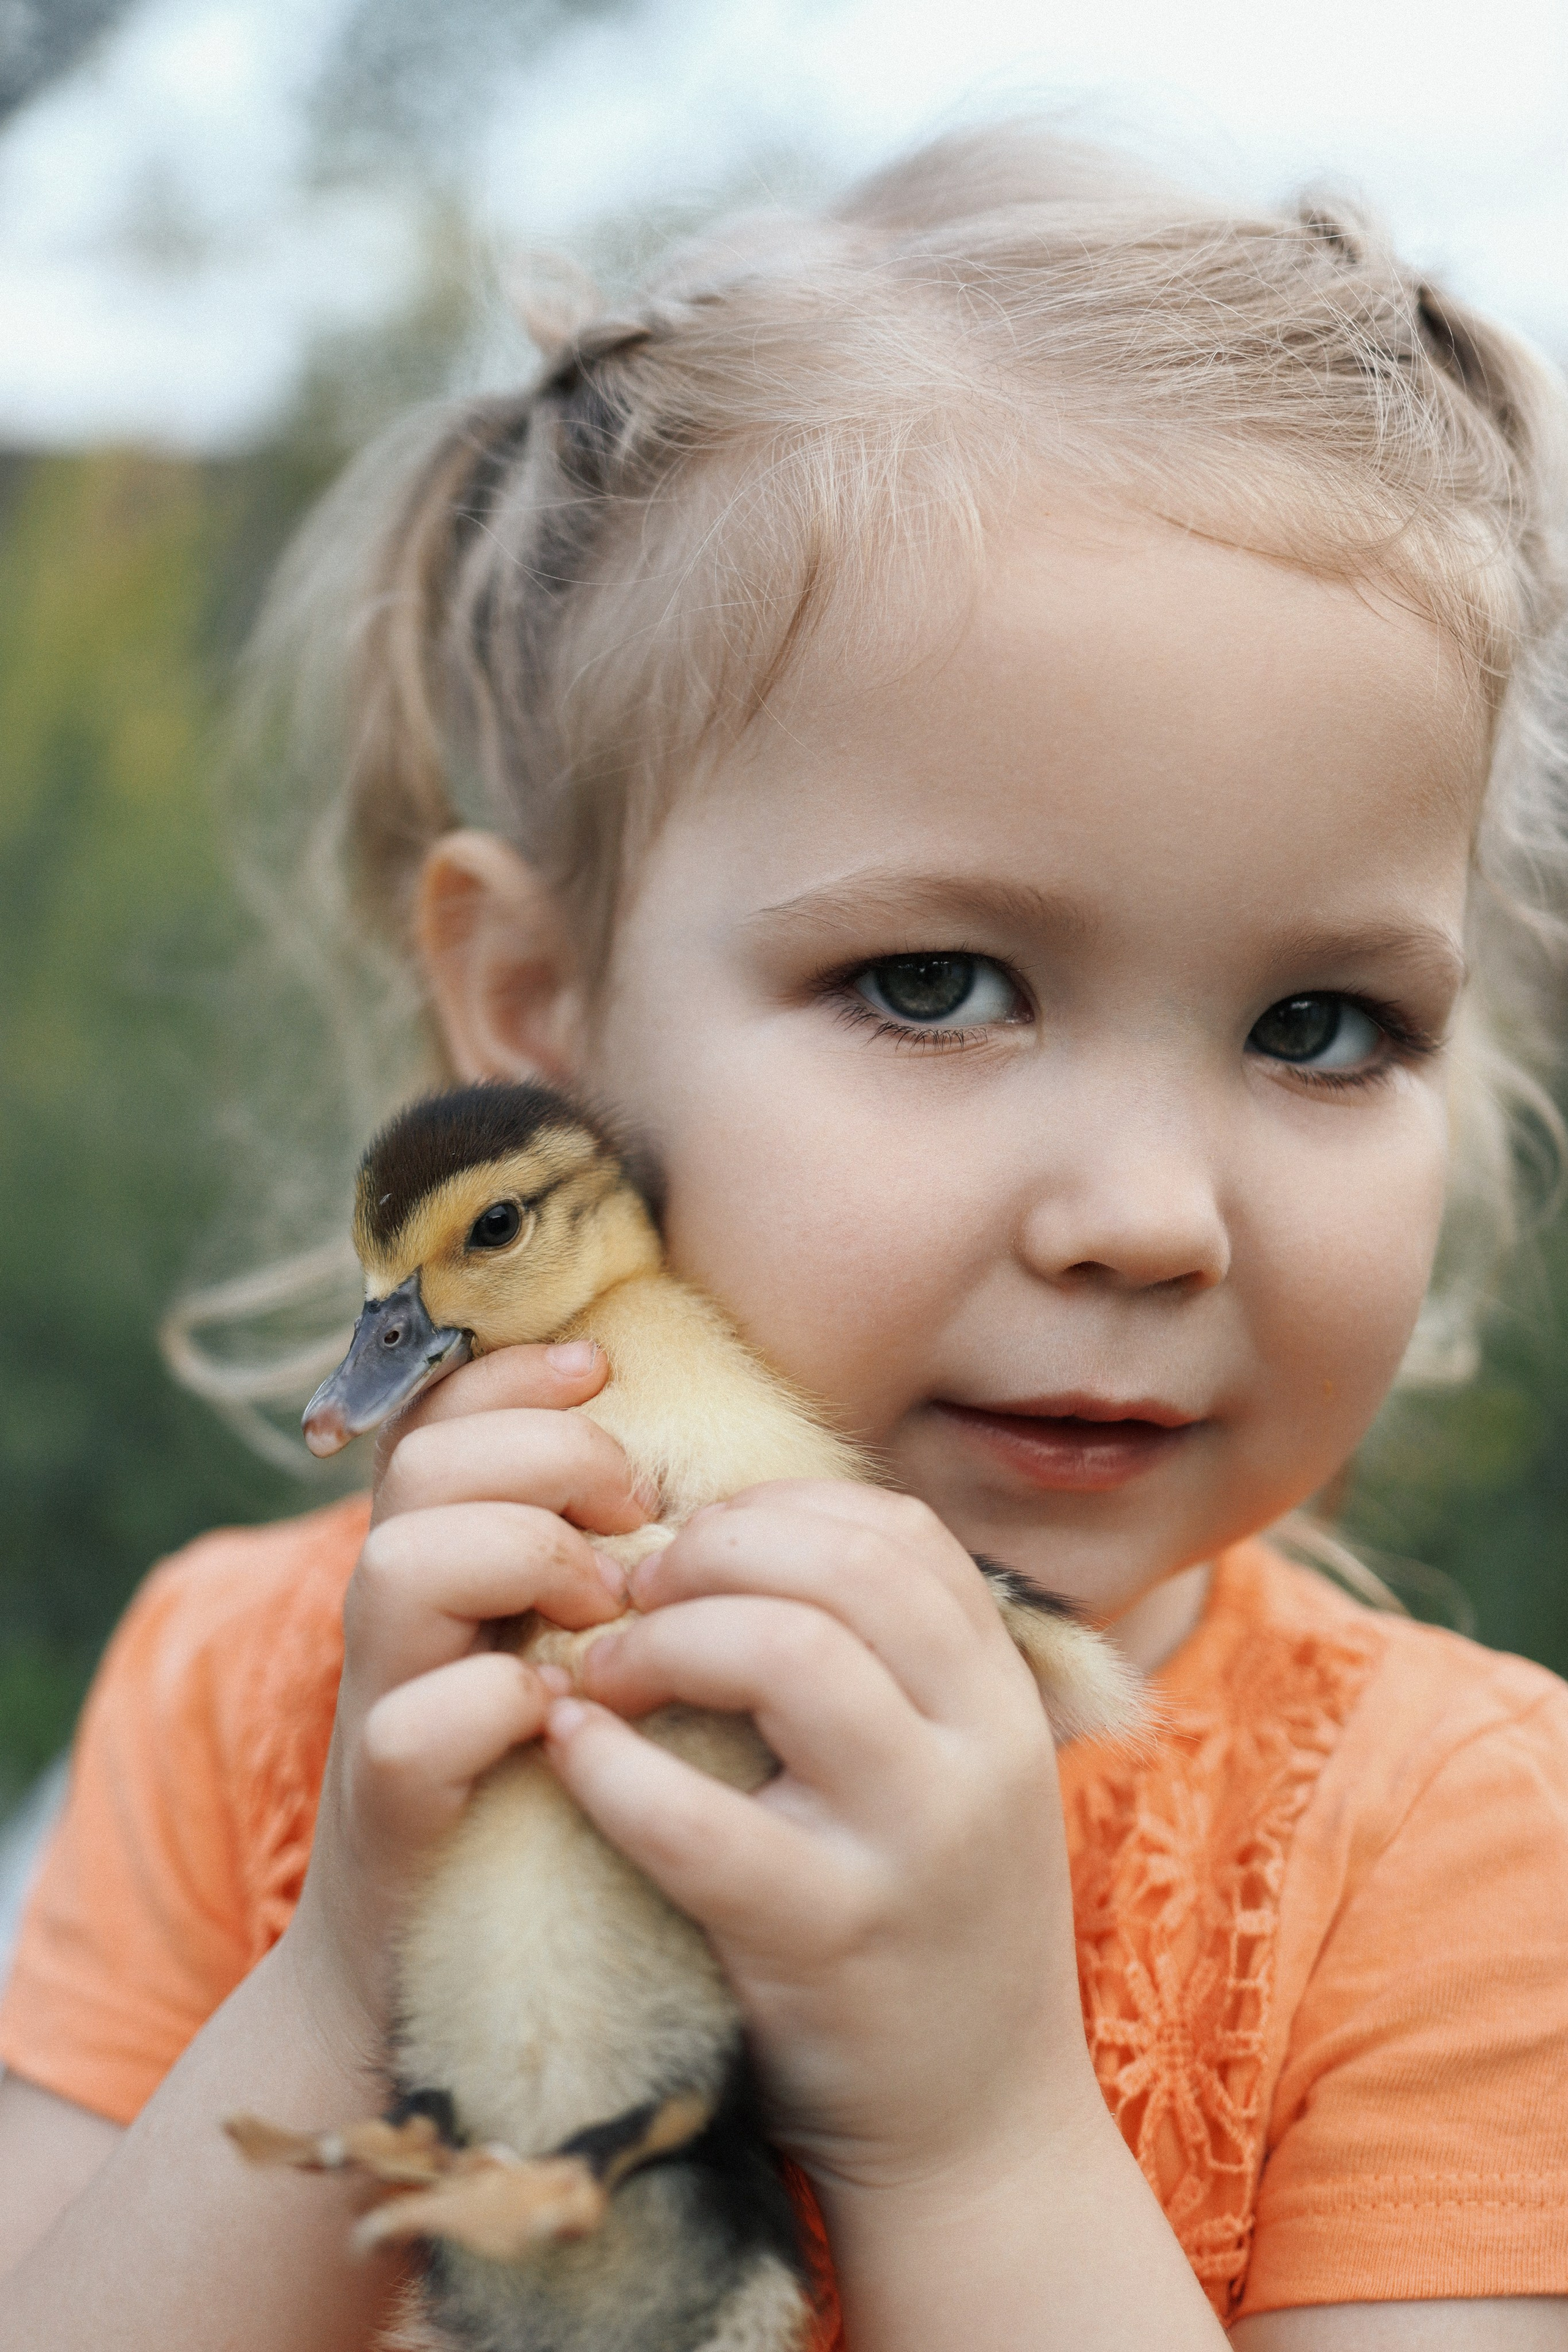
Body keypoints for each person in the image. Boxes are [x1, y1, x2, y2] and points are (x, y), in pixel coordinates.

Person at [2, 121, 1567, 2351]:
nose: (1148, 1218)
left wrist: (979, 2138)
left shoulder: (1460, 1852)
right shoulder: (251, 1707)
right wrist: (346, 1979)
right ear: (540, 1018)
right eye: (935, 986)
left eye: (1321, 1026)